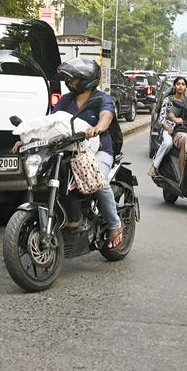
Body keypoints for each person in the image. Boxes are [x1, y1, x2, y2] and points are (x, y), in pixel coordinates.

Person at [52, 57, 123, 249]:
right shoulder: (66, 99)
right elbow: (50, 121)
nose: (69, 82)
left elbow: (106, 116)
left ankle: (115, 225)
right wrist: (27, 137)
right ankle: (72, 216)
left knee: (97, 181)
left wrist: (98, 128)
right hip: (71, 150)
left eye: (73, 79)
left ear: (87, 80)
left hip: (100, 150)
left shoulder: (102, 98)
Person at [150, 76, 187, 176]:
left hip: (184, 131)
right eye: (178, 84)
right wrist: (170, 130)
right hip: (168, 129)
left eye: (183, 84)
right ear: (174, 86)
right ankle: (155, 166)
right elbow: (162, 119)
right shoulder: (168, 100)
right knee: (168, 143)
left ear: (186, 87)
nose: (180, 86)